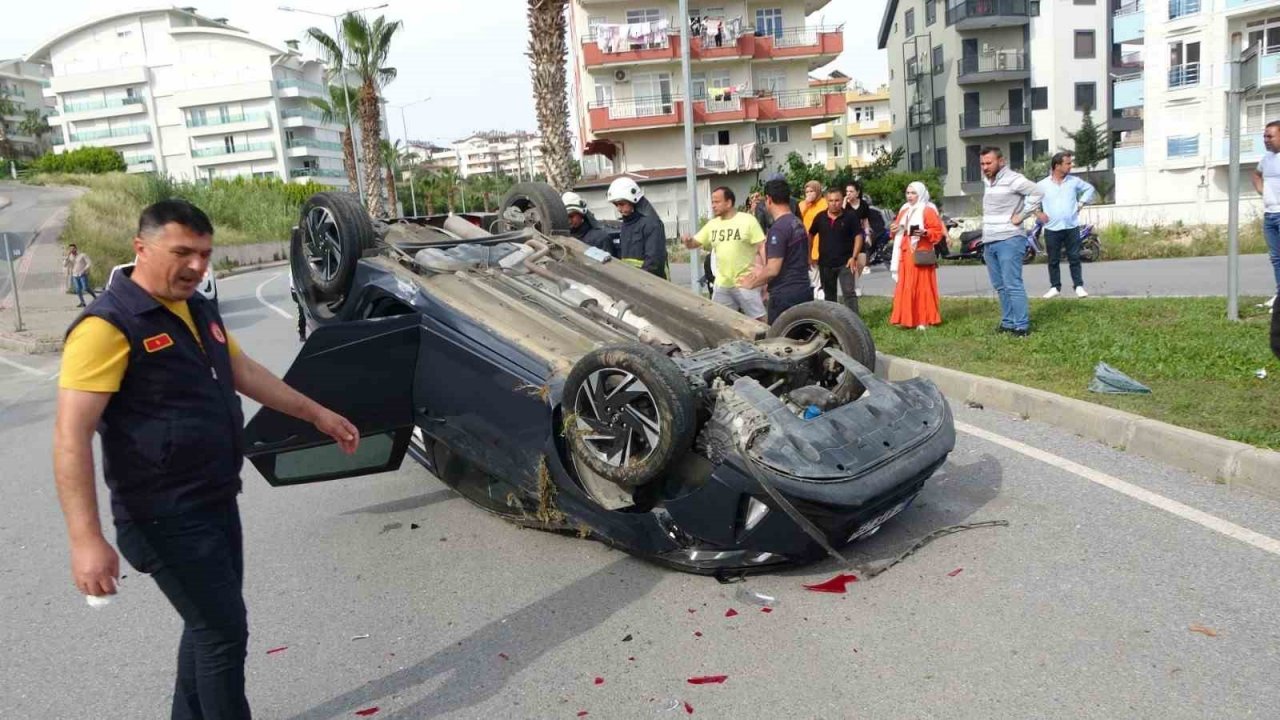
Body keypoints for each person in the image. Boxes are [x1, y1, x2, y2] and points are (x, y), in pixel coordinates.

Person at [52, 199, 360, 719]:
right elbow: (70, 437)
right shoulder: (107, 326)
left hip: (214, 500)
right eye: (182, 252)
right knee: (222, 633)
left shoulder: (195, 308)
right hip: (161, 514)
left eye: (205, 254)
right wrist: (85, 540)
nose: (196, 266)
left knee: (206, 628)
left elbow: (243, 370)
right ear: (140, 248)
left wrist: (318, 415)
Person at [978, 146, 1043, 336]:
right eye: (982, 163)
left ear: (1001, 161)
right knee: (999, 285)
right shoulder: (988, 180)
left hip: (1009, 238)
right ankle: (1008, 322)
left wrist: (1022, 215)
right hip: (990, 240)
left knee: (1012, 283)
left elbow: (1037, 192)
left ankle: (1021, 326)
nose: (985, 167)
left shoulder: (1013, 179)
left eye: (989, 163)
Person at [682, 186, 766, 320]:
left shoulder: (747, 220)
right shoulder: (713, 225)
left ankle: (766, 341)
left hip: (745, 281)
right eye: (712, 203)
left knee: (759, 321)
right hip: (722, 284)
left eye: (717, 202)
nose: (713, 206)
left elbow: (762, 246)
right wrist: (687, 240)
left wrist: (764, 274)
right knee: (719, 322)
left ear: (729, 202)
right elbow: (693, 244)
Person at [739, 178, 811, 322]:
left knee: (779, 340)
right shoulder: (797, 223)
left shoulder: (778, 229)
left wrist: (751, 283)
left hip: (785, 295)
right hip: (803, 290)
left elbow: (773, 269)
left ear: (768, 199)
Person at [1036, 151, 1097, 299]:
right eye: (1068, 163)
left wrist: (1081, 203)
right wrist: (1038, 213)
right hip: (1052, 227)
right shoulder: (1042, 185)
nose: (1071, 166)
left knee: (1074, 257)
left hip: (1071, 226)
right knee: (1053, 259)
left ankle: (1079, 286)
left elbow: (1089, 188)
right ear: (1057, 166)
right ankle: (1055, 287)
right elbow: (1029, 201)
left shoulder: (1073, 181)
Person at [888, 181, 944, 330]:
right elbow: (897, 230)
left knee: (921, 286)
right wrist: (894, 229)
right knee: (906, 285)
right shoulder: (904, 210)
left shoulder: (927, 210)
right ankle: (907, 318)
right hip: (905, 252)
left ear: (920, 194)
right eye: (908, 193)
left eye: (913, 193)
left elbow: (937, 232)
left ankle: (923, 319)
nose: (910, 196)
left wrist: (925, 232)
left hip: (920, 253)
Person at [808, 186, 863, 314]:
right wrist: (808, 255)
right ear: (827, 201)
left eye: (837, 200)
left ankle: (854, 322)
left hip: (846, 262)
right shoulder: (820, 217)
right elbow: (810, 234)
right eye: (831, 201)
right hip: (825, 263)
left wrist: (854, 257)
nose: (834, 204)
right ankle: (833, 322)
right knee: (829, 295)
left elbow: (858, 236)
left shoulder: (850, 216)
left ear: (842, 200)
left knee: (849, 293)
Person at [607, 177, 668, 278]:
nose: (618, 208)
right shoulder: (626, 224)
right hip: (634, 283)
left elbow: (654, 264)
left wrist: (636, 281)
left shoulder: (651, 224)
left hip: (652, 285)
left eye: (622, 204)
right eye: (616, 204)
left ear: (633, 200)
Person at [1252, 120, 1280, 311]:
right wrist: (1264, 192)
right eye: (1264, 136)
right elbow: (1256, 175)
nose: (1265, 140)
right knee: (1276, 258)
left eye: (1270, 136)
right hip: (1270, 215)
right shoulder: (1267, 158)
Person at [562, 191, 618, 257]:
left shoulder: (600, 239)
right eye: (565, 217)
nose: (569, 221)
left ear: (581, 214)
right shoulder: (561, 239)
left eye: (571, 216)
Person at [799, 180, 827, 298]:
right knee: (811, 266)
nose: (809, 194)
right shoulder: (802, 204)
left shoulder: (824, 203)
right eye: (807, 191)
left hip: (821, 238)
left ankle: (821, 291)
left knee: (821, 266)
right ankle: (814, 290)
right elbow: (798, 216)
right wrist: (806, 203)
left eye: (812, 191)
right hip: (807, 239)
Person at [842, 181, 874, 281]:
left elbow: (865, 220)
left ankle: (855, 280)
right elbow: (840, 216)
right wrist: (844, 203)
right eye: (847, 191)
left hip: (859, 234)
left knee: (862, 259)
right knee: (849, 259)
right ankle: (852, 284)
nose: (848, 193)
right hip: (846, 235)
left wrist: (867, 234)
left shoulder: (863, 204)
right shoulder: (844, 205)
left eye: (851, 191)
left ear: (857, 192)